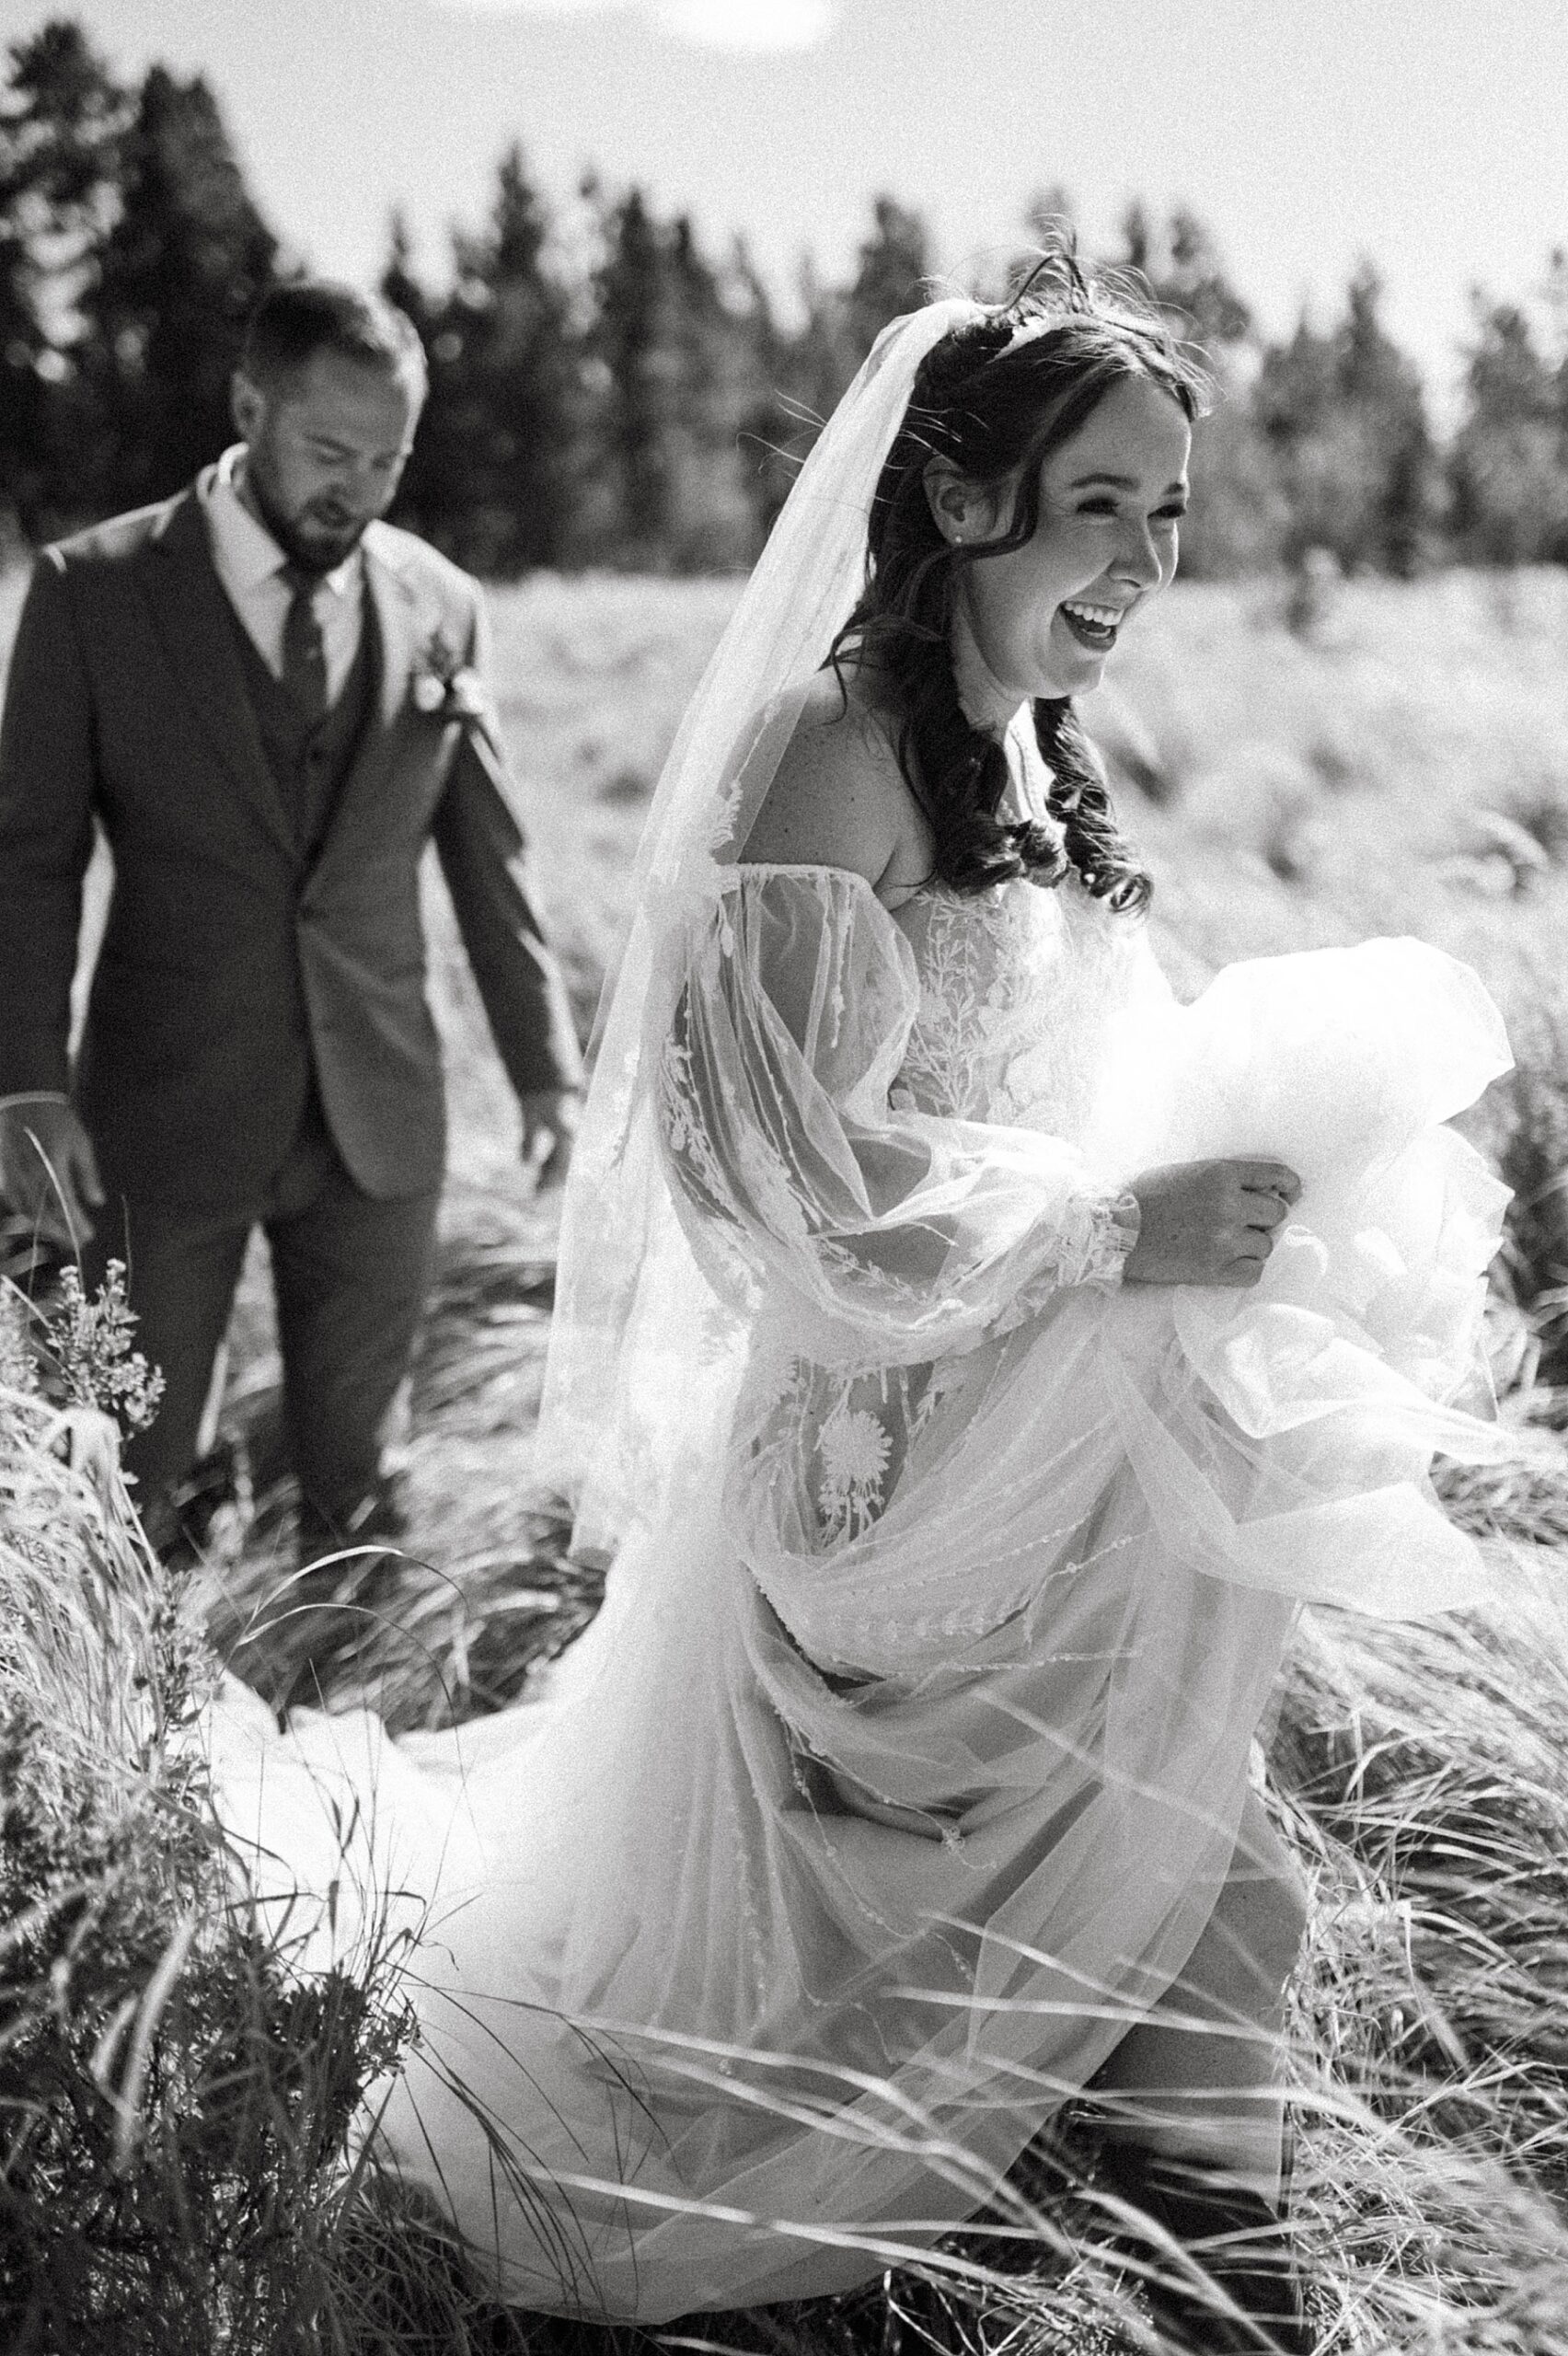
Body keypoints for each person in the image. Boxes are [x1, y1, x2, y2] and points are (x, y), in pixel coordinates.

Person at [202, 257, 1519, 2350]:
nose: (1149, 561)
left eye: (1172, 512)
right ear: (965, 493)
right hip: (887, 1483)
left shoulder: (1025, 748)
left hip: (1024, 1434)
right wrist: (1110, 1231)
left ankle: (1214, 2266)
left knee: (1208, 1874)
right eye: (1105, 503)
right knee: (1211, 1880)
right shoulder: (834, 747)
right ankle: (1231, 2280)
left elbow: (1046, 1102)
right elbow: (766, 1185)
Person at [0, 280, 583, 1575]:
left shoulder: (444, 603)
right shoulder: (89, 592)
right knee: (122, 1481)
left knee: (363, 1495)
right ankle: (123, 1765)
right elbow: (30, 864)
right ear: (248, 407)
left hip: (379, 1120)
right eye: (330, 454)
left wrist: (546, 1073)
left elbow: (491, 859)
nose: (360, 491)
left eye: (388, 461)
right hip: (158, 1120)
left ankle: (341, 1743)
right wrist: (27, 1089)